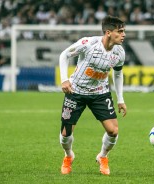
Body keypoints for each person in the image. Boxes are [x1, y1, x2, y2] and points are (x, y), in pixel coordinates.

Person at [59, 15, 127, 175]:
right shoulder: (88, 44)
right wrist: (64, 80)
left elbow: (118, 74)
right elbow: (64, 55)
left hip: (100, 94)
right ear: (109, 32)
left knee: (113, 131)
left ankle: (102, 157)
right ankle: (68, 156)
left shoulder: (119, 52)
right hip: (76, 91)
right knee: (65, 134)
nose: (124, 35)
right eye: (120, 31)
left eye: (124, 31)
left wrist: (121, 99)